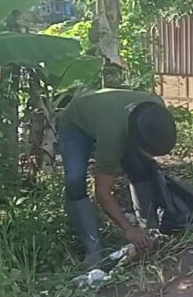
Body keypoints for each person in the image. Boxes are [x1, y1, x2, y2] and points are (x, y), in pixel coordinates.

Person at [59, 88, 177, 268]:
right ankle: (94, 251)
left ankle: (150, 232)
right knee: (75, 181)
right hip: (76, 123)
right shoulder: (112, 137)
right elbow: (102, 191)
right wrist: (128, 229)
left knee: (141, 167)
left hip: (110, 111)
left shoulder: (156, 111)